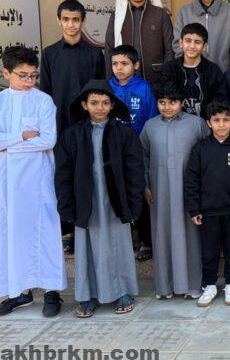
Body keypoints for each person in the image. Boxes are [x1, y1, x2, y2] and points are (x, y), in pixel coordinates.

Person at [55, 80, 144, 317]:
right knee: (87, 249)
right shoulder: (72, 136)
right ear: (84, 105)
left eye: (105, 103)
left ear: (112, 105)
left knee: (119, 246)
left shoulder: (124, 134)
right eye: (94, 103)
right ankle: (88, 296)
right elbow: (63, 174)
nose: (100, 108)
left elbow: (135, 171)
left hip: (116, 202)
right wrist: (66, 206)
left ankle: (123, 292)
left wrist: (134, 203)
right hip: (86, 202)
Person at [0, 46, 66, 317]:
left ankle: (51, 292)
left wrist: (8, 146)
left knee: (45, 231)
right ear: (6, 73)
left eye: (33, 75)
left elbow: (48, 140)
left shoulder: (43, 101)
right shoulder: (1, 102)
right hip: (7, 182)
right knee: (12, 233)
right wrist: (22, 136)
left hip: (38, 179)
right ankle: (19, 292)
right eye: (23, 75)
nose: (29, 81)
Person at [40, 0, 106, 254]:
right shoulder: (50, 54)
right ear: (59, 21)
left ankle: (89, 226)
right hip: (59, 127)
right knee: (64, 176)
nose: (71, 24)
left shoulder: (94, 54)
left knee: (89, 174)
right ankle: (67, 230)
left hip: (87, 125)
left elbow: (101, 92)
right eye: (66, 19)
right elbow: (46, 94)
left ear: (83, 21)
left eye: (76, 19)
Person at [141, 81, 210, 299]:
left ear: (182, 102)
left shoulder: (197, 124)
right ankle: (165, 286)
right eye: (162, 102)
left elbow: (209, 154)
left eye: (172, 102)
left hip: (190, 192)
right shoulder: (149, 127)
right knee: (162, 234)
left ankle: (193, 285)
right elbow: (142, 158)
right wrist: (145, 185)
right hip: (159, 190)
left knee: (191, 236)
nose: (167, 107)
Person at [184, 101, 230, 307]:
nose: (221, 124)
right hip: (208, 212)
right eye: (216, 120)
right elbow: (191, 180)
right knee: (209, 251)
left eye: (226, 120)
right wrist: (194, 208)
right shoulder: (200, 149)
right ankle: (209, 284)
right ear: (208, 122)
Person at [107, 45, 157, 262]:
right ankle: (123, 240)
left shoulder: (145, 88)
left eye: (124, 64)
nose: (119, 68)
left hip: (138, 149)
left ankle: (145, 240)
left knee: (140, 192)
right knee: (118, 192)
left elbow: (151, 119)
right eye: (115, 64)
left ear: (135, 65)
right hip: (113, 150)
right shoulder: (107, 88)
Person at [105, 0, 174, 83]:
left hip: (156, 79)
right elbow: (109, 49)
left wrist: (167, 78)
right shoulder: (117, 16)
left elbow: (170, 50)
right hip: (125, 81)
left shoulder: (161, 15)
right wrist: (111, 81)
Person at [162, 22, 228, 119]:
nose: (192, 46)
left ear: (204, 46)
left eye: (197, 42)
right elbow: (165, 98)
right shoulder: (170, 68)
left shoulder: (213, 70)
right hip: (176, 122)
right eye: (188, 41)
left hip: (205, 123)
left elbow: (220, 100)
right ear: (181, 43)